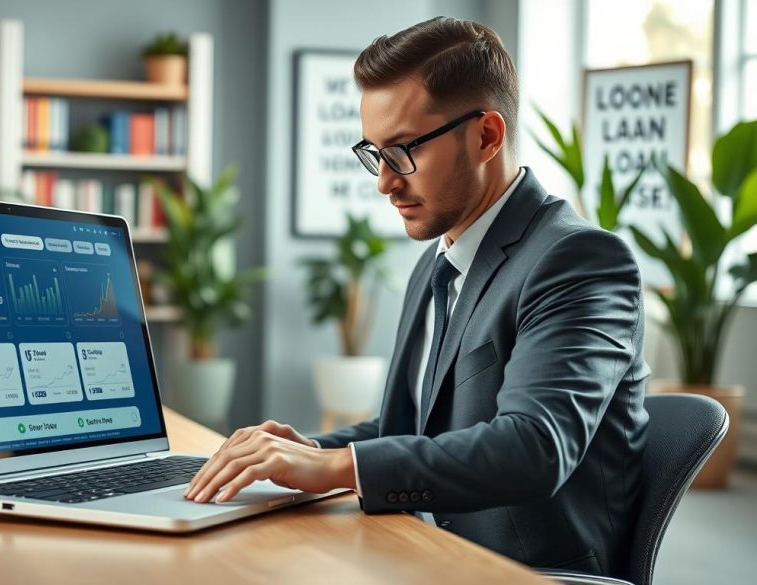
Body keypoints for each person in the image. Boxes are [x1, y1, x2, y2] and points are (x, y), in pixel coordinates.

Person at [183, 16, 649, 578]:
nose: (384, 181)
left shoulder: (578, 260)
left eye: (403, 151)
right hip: (428, 548)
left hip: (526, 570)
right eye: (374, 152)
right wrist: (301, 453)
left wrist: (335, 467)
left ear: (487, 136)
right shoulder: (438, 260)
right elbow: (414, 427)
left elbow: (533, 447)